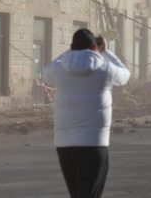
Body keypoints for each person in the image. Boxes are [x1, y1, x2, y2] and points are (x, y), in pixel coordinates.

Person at [43, 29, 130, 198]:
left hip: (65, 146)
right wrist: (105, 51)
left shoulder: (59, 70)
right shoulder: (106, 69)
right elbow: (125, 75)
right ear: (95, 47)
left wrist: (72, 53)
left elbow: (46, 72)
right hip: (94, 143)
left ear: (71, 47)